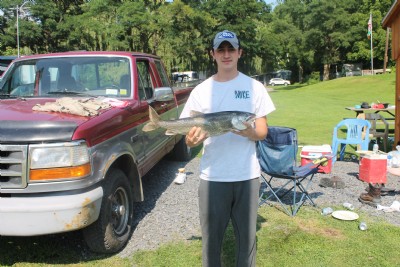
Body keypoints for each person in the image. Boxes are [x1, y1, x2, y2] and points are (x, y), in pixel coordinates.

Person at [180, 30, 275, 267]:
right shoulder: (201, 90)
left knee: (247, 241)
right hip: (213, 178)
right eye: (220, 50)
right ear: (212, 54)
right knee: (211, 242)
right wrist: (192, 141)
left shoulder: (254, 87)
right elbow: (188, 138)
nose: (226, 54)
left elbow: (262, 130)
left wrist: (249, 132)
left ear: (239, 52)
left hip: (247, 176)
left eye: (230, 49)